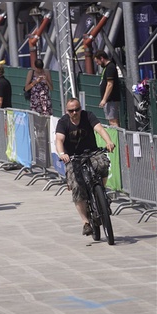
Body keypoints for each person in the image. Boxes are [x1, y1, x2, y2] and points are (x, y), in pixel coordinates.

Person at [55, 98, 115, 237]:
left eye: (77, 109)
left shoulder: (88, 116)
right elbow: (59, 140)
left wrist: (108, 141)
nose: (75, 113)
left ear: (80, 108)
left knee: (103, 164)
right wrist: (62, 154)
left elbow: (99, 129)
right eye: (71, 111)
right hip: (73, 157)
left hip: (91, 152)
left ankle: (102, 192)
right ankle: (86, 223)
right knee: (76, 186)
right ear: (67, 111)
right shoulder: (63, 122)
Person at [94, 50, 121, 127]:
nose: (97, 64)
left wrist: (104, 99)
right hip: (109, 100)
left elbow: (110, 84)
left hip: (111, 99)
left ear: (102, 58)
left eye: (97, 61)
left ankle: (116, 138)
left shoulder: (110, 67)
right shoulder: (106, 68)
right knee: (111, 120)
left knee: (113, 120)